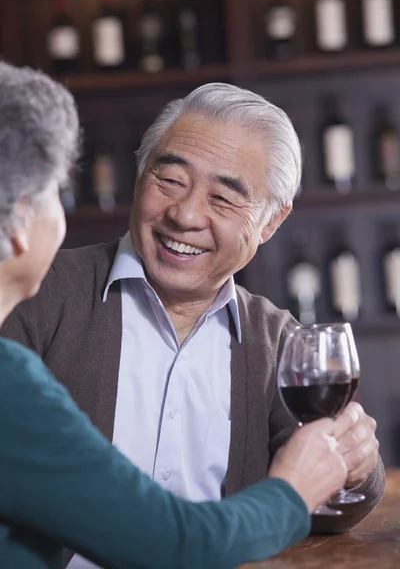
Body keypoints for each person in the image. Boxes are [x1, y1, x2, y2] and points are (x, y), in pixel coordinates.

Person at [1, 70, 384, 567]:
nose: (184, 215)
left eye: (224, 198)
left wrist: (357, 464)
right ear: (139, 178)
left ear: (270, 222)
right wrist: (294, 488)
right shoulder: (35, 296)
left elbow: (323, 497)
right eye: (170, 180)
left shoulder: (279, 341)